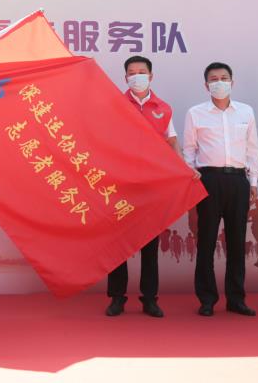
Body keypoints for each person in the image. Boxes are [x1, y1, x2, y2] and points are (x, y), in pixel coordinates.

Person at [105, 56, 184, 318]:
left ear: (150, 76)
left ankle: (150, 298)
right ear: (125, 78)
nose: (136, 76)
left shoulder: (163, 108)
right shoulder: (114, 105)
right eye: (131, 73)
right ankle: (117, 298)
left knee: (150, 244)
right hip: (121, 185)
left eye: (141, 72)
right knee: (118, 245)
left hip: (152, 186)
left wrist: (184, 167)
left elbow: (172, 141)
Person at [183, 62, 258, 317]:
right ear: (206, 85)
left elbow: (252, 149)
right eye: (214, 79)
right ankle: (207, 299)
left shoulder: (245, 111)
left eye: (224, 78)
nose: (219, 83)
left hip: (238, 180)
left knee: (237, 242)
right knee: (206, 241)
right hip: (208, 180)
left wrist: (253, 182)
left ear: (232, 82)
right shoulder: (195, 113)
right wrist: (193, 179)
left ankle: (236, 299)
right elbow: (189, 151)